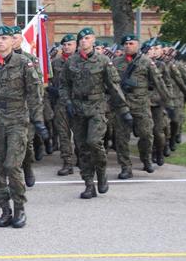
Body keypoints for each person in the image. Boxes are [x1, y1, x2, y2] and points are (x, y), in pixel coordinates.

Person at [0, 25, 45, 228]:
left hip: (17, 120)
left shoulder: (24, 63)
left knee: (12, 165)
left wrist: (39, 121)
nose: (1, 42)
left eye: (5, 38)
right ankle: (4, 209)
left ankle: (19, 208)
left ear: (12, 41)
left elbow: (35, 94)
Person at [59, 27, 130, 199]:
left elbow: (114, 86)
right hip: (77, 108)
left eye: (87, 38)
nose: (84, 41)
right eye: (81, 39)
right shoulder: (71, 62)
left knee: (94, 142)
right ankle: (89, 184)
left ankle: (101, 172)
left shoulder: (103, 61)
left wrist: (124, 109)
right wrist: (67, 102)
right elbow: (64, 85)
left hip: (97, 106)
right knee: (82, 147)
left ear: (93, 41)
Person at [113, 34, 174, 178]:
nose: (128, 46)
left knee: (146, 135)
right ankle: (125, 167)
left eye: (132, 43)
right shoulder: (115, 63)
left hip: (141, 105)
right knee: (121, 138)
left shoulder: (146, 62)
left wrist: (168, 102)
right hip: (122, 106)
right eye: (126, 44)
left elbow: (159, 83)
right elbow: (110, 85)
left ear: (138, 45)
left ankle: (146, 159)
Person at [10, 25, 46, 187]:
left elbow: (37, 84)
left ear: (21, 39)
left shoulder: (30, 60)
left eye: (16, 37)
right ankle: (13, 177)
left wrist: (36, 108)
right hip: (5, 110)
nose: (13, 40)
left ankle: (27, 168)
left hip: (25, 109)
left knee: (26, 142)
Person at [49, 34, 77, 176]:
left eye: (69, 44)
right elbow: (52, 81)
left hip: (78, 102)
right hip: (61, 102)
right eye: (64, 45)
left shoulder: (81, 61)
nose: (66, 47)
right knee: (63, 134)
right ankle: (67, 162)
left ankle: (82, 158)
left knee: (79, 134)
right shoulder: (56, 63)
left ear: (76, 45)